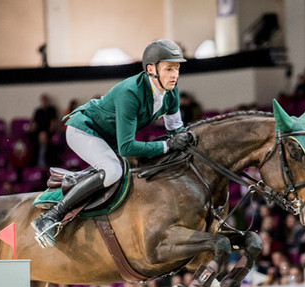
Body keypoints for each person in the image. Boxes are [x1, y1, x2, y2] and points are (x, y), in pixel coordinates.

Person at [31, 39, 193, 247]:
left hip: (109, 139)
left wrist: (182, 142)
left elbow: (176, 130)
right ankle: (51, 216)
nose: (175, 75)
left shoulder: (171, 91)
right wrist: (168, 146)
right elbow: (127, 147)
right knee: (112, 171)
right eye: (169, 69)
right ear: (151, 69)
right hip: (84, 130)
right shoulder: (130, 93)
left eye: (177, 69)